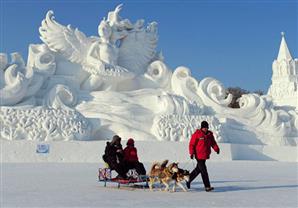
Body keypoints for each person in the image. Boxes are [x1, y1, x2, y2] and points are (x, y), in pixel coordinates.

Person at [187, 121, 220, 192]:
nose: (205, 129)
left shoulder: (209, 135)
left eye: (206, 127)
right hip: (198, 155)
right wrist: (192, 153)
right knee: (204, 171)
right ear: (201, 128)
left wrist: (216, 149)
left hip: (205, 155)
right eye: (204, 127)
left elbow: (213, 143)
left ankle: (188, 179)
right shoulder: (197, 134)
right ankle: (207, 186)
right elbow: (191, 144)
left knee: (198, 169)